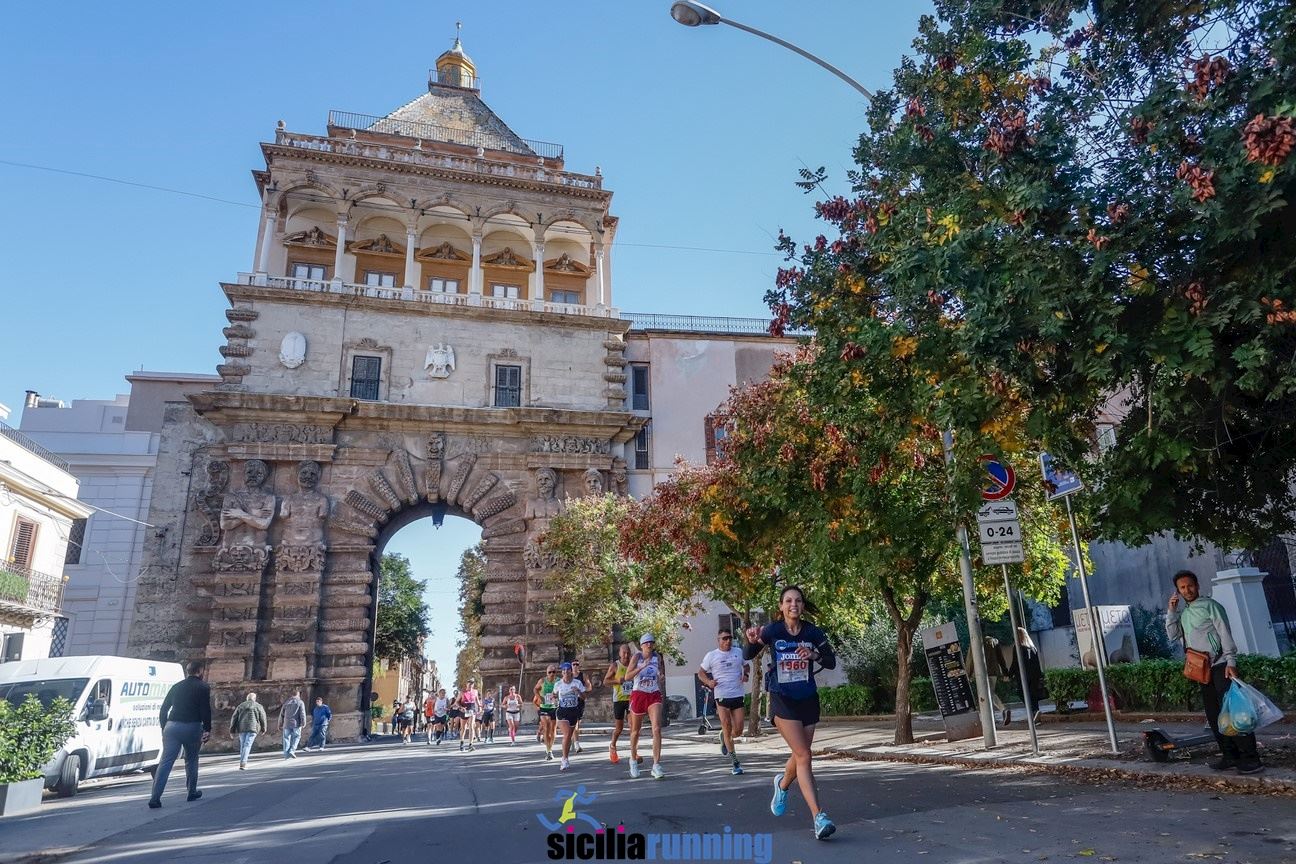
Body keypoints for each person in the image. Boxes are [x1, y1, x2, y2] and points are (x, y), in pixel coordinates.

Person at [745, 585, 838, 841]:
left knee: (800, 755)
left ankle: (782, 784)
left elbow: (831, 661)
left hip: (807, 698)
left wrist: (813, 654)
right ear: (781, 606)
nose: (793, 604)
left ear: (803, 605)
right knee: (805, 754)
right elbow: (748, 654)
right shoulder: (773, 629)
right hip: (782, 698)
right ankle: (819, 817)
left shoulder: (812, 631)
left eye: (797, 600)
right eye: (788, 601)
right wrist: (751, 640)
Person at [1166, 570, 1263, 774]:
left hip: (1221, 666)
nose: (1187, 590)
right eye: (1182, 587)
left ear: (1197, 585)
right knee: (1214, 715)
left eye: (1190, 585)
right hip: (1201, 671)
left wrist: (1231, 661)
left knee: (1235, 712)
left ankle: (1251, 759)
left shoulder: (1211, 606)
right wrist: (1171, 611)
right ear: (1178, 591)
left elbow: (1224, 633)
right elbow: (1173, 635)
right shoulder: (1184, 614)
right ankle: (1229, 756)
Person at [148, 660, 212, 808]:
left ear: (188, 671)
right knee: (191, 759)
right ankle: (191, 791)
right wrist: (207, 729)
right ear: (200, 671)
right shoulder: (203, 687)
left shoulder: (176, 686)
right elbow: (205, 710)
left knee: (165, 762)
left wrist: (164, 726)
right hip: (192, 726)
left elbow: (164, 708)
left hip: (172, 726)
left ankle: (155, 797)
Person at [698, 628, 750, 775]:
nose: (727, 641)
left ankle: (724, 736)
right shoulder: (712, 655)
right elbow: (701, 673)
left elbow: (746, 665)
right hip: (721, 695)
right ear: (718, 640)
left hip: (737, 693)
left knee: (738, 730)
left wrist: (745, 674)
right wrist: (709, 682)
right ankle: (735, 763)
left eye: (729, 638)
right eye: (724, 638)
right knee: (726, 725)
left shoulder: (738, 652)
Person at [625, 633, 666, 780]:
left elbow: (659, 673)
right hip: (639, 694)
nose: (649, 645)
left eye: (651, 643)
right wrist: (640, 668)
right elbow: (627, 677)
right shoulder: (637, 658)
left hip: (653, 694)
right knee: (636, 731)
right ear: (642, 645)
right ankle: (633, 760)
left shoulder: (657, 657)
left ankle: (656, 765)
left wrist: (660, 677)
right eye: (647, 643)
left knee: (656, 728)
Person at [554, 663, 587, 771]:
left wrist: (577, 691)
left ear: (570, 672)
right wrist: (554, 699)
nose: (565, 673)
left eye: (567, 671)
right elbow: (553, 695)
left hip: (573, 711)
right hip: (562, 711)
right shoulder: (558, 684)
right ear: (562, 673)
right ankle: (564, 759)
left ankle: (566, 758)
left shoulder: (577, 683)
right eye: (563, 671)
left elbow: (584, 697)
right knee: (567, 734)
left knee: (569, 736)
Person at [604, 643, 634, 764]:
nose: (626, 655)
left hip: (632, 699)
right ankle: (612, 745)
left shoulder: (633, 664)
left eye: (628, 653)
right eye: (624, 653)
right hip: (619, 700)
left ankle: (634, 752)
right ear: (620, 654)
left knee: (633, 727)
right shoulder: (615, 665)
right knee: (619, 728)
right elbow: (605, 681)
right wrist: (617, 680)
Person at [229, 691, 267, 770]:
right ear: (255, 699)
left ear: (247, 698)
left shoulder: (241, 706)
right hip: (253, 728)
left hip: (242, 728)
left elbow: (234, 718)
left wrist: (232, 730)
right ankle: (243, 763)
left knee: (243, 745)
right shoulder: (258, 706)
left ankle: (242, 761)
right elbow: (262, 717)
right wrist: (264, 728)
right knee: (247, 745)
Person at [533, 665, 559, 761]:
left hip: (554, 707)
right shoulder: (542, 681)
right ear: (546, 673)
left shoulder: (558, 681)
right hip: (544, 707)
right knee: (546, 727)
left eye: (553, 672)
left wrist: (558, 696)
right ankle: (548, 751)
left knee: (552, 730)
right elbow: (535, 689)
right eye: (550, 672)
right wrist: (540, 698)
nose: (552, 674)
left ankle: (550, 749)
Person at [570, 660, 594, 754]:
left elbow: (589, 687)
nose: (575, 666)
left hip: (580, 700)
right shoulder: (568, 675)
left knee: (577, 723)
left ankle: (573, 740)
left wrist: (581, 690)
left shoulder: (583, 676)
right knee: (575, 722)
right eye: (574, 664)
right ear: (571, 666)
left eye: (577, 664)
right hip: (571, 701)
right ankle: (576, 744)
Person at [280, 690, 307, 759]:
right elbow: (302, 713)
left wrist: (280, 723)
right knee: (297, 737)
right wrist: (303, 722)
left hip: (286, 723)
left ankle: (286, 755)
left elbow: (281, 714)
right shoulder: (300, 702)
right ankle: (292, 750)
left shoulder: (286, 702)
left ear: (292, 695)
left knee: (286, 738)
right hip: (296, 723)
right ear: (298, 695)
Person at [460, 679, 479, 751]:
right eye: (469, 683)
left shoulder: (475, 692)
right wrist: (460, 707)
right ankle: (462, 742)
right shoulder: (462, 692)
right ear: (466, 684)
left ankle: (471, 744)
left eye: (472, 684)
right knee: (463, 728)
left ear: (473, 685)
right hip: (464, 710)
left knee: (471, 726)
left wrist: (480, 707)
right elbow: (457, 702)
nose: (470, 685)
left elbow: (477, 700)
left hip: (472, 710)